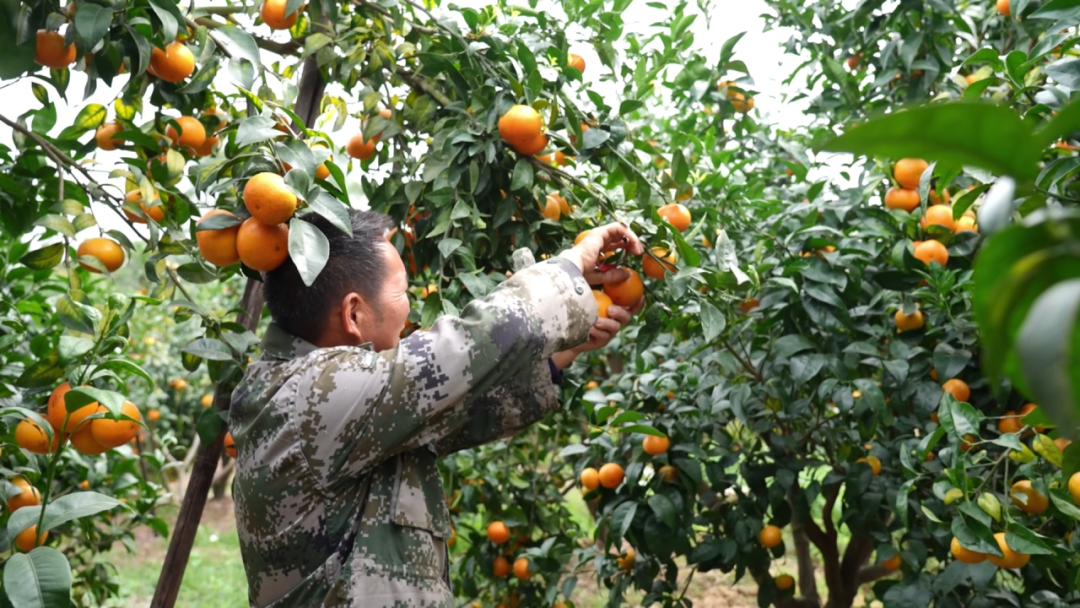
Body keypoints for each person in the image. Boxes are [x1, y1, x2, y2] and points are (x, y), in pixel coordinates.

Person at [229, 209, 645, 608]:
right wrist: (570, 267)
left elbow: (463, 413)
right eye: (402, 292)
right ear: (354, 313)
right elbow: (474, 340)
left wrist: (565, 346)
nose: (409, 308)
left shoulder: (321, 400)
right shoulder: (313, 394)